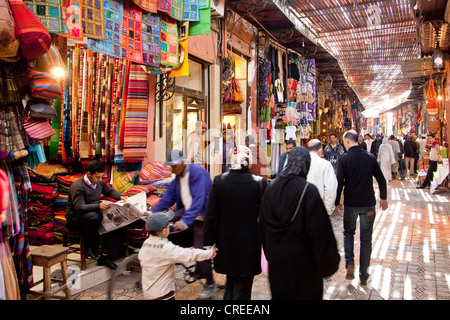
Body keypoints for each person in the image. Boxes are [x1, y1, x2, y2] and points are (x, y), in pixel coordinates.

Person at [259, 146, 340, 299]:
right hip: (304, 267)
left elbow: (263, 227)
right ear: (305, 165)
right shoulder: (308, 191)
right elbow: (321, 233)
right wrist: (328, 265)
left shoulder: (270, 189)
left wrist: (271, 255)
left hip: (279, 267)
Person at [148, 149, 216, 299]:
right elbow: (167, 199)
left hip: (203, 217)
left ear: (182, 163)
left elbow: (198, 201)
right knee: (165, 229)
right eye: (170, 167)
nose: (172, 170)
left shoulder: (198, 173)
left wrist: (185, 222)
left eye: (174, 166)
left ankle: (210, 282)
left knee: (200, 246)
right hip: (187, 212)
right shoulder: (178, 178)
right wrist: (151, 213)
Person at [204, 146, 267, 300]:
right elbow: (266, 217)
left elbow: (211, 215)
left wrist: (208, 243)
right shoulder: (259, 183)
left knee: (230, 283)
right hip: (249, 244)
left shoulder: (219, 181)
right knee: (244, 288)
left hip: (225, 243)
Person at [335, 130, 388, 286]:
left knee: (348, 233)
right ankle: (363, 274)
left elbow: (340, 183)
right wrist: (383, 198)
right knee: (366, 239)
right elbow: (382, 180)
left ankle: (350, 263)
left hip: (351, 203)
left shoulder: (344, 159)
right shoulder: (370, 157)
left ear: (347, 142)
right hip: (368, 204)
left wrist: (337, 201)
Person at [138, 211, 217, 300]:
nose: (170, 227)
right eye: (168, 226)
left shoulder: (146, 243)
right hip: (164, 294)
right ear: (164, 231)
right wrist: (209, 253)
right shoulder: (166, 248)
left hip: (149, 292)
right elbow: (188, 254)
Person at [66, 160, 128, 269]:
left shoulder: (99, 182)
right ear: (89, 174)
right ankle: (90, 245)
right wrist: (98, 206)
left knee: (117, 220)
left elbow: (109, 191)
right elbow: (79, 208)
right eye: (97, 177)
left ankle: (106, 256)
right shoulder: (78, 186)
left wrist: (121, 197)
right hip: (75, 218)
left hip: (91, 213)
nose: (100, 180)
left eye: (101, 177)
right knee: (95, 217)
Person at [306, 139, 337, 215]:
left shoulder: (300, 163)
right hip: (318, 207)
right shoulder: (325, 164)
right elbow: (331, 189)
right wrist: (327, 209)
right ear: (320, 149)